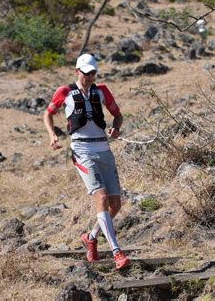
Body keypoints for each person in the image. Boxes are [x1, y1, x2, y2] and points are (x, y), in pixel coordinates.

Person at [43, 53, 130, 270]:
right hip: (82, 149)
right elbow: (48, 114)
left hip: (104, 148)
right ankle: (117, 252)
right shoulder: (65, 91)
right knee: (100, 197)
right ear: (77, 71)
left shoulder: (102, 90)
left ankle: (91, 237)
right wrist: (52, 135)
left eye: (93, 72)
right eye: (86, 73)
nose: (90, 76)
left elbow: (118, 114)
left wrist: (116, 128)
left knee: (116, 204)